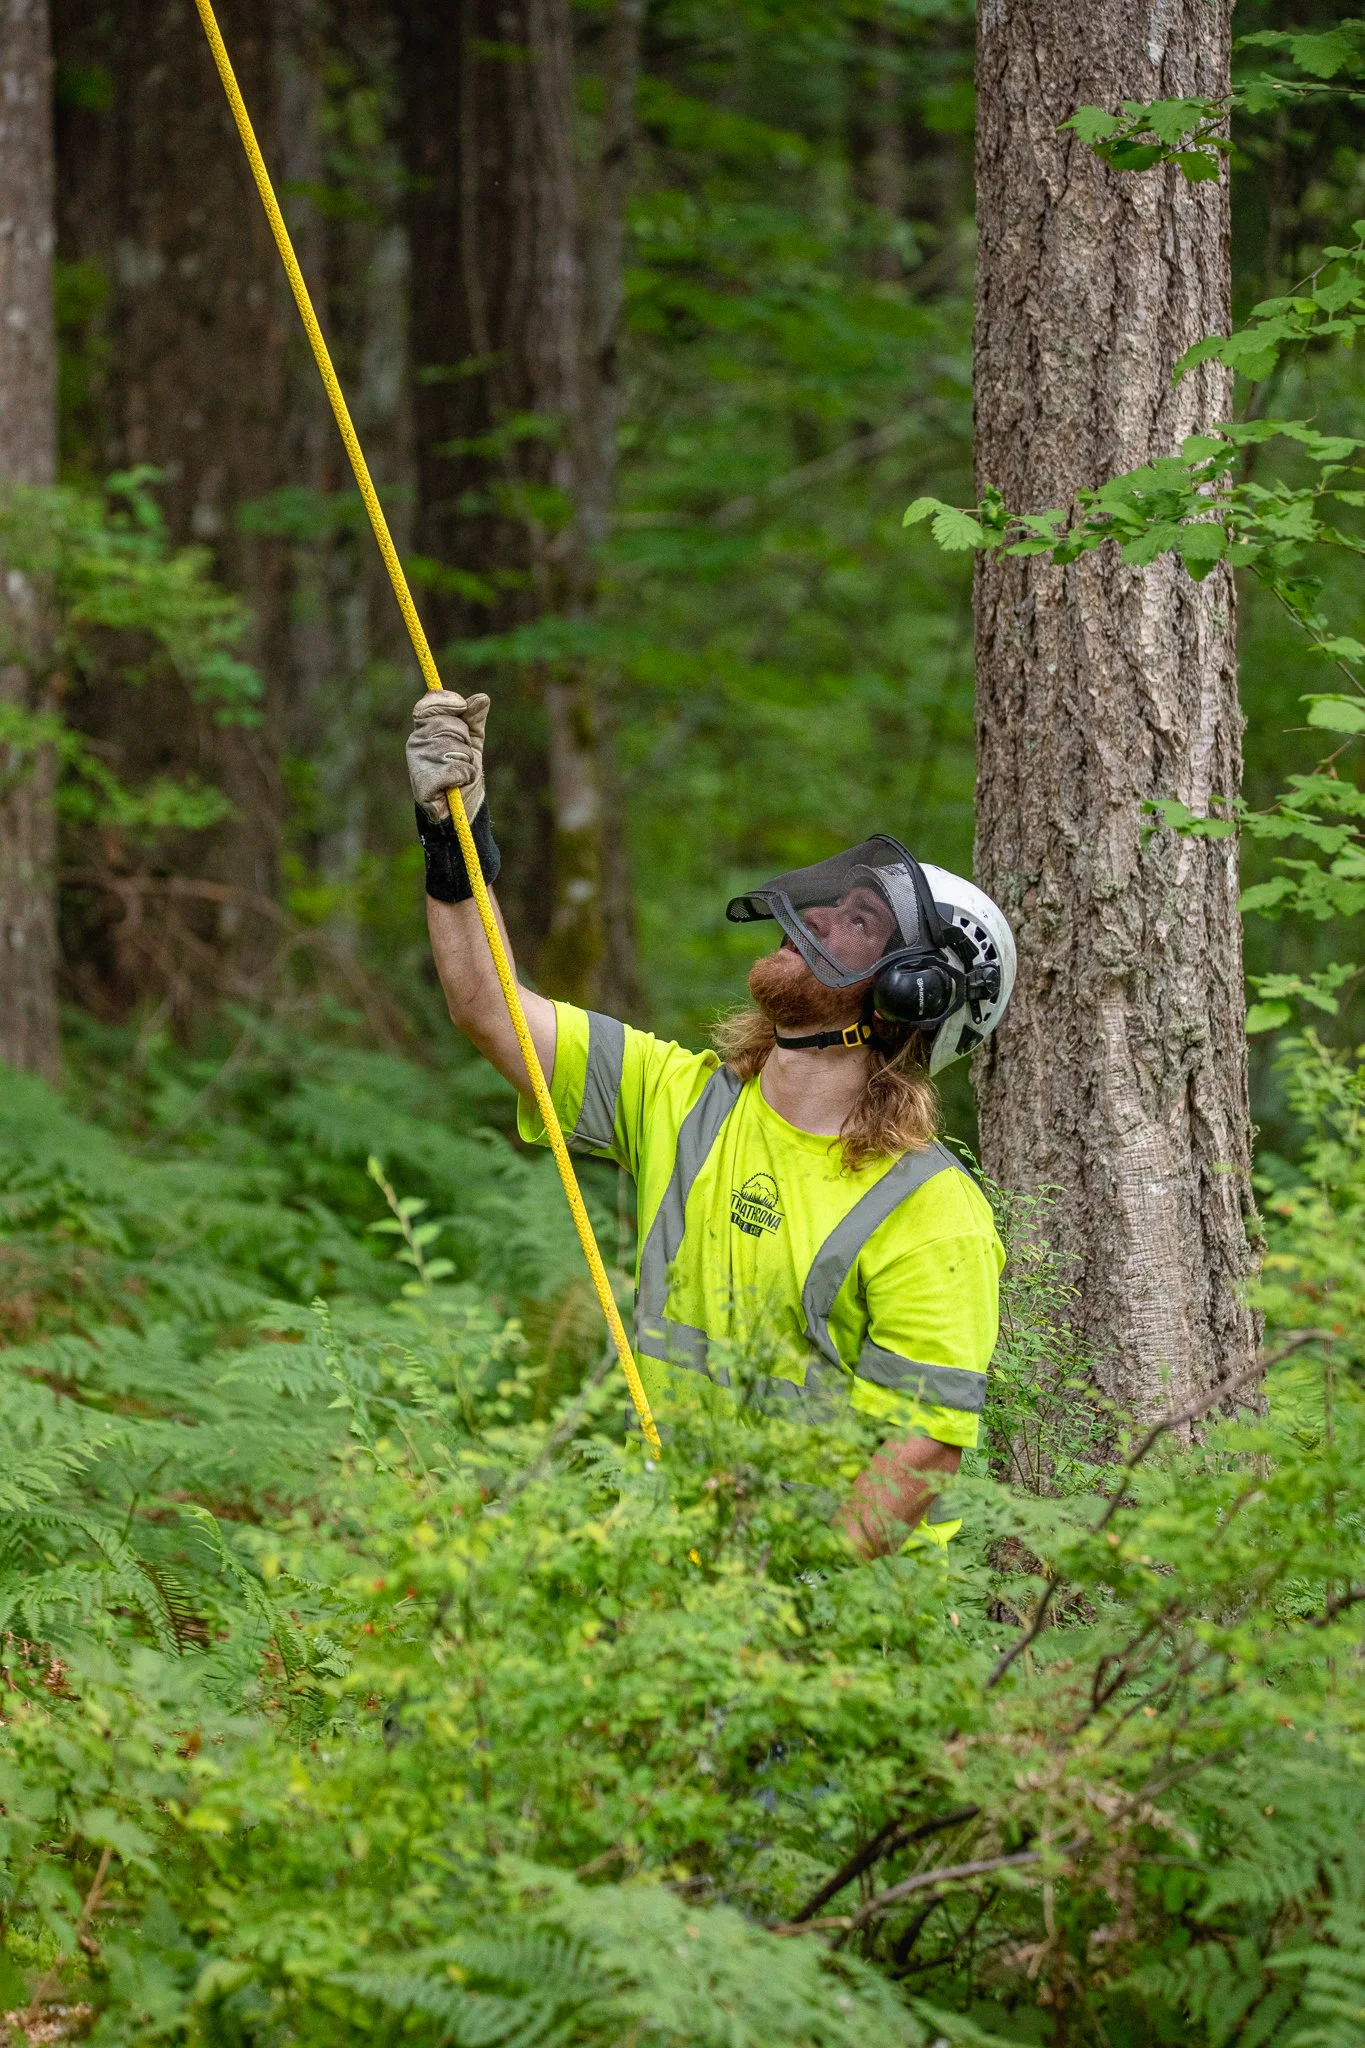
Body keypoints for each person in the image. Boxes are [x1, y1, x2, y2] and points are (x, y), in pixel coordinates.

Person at [407, 688, 1016, 1558]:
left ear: (909, 993)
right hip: (680, 1569)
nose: (813, 917)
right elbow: (489, 1008)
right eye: (829, 903)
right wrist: (453, 839)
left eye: (857, 923)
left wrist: (781, 1604)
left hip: (839, 1629)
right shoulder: (682, 1100)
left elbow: (920, 1450)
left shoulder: (930, 1209)